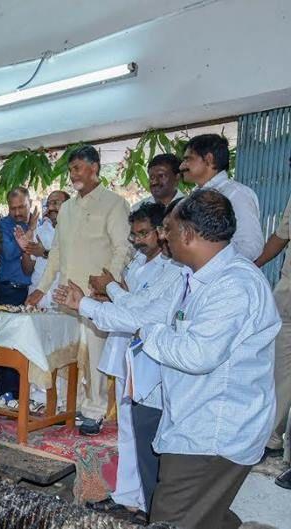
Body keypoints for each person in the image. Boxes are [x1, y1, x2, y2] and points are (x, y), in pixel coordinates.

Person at [136, 190, 277, 529]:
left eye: (168, 228)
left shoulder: (233, 285)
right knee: (208, 515)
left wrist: (150, 333)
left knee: (172, 519)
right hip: (198, 420)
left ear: (188, 234)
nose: (162, 236)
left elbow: (197, 354)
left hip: (212, 434)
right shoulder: (206, 278)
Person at [57, 202, 179, 521]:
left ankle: (146, 503)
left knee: (146, 434)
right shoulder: (139, 261)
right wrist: (107, 294)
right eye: (134, 234)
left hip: (151, 358)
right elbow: (130, 303)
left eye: (146, 233)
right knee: (127, 428)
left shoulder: (174, 269)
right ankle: (128, 497)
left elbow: (137, 311)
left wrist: (105, 290)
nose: (138, 241)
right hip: (128, 349)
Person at [27, 145, 131, 430]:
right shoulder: (68, 208)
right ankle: (66, 405)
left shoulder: (114, 204)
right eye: (70, 169)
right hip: (64, 294)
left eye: (77, 168)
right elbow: (57, 253)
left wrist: (108, 284)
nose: (72, 175)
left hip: (95, 296)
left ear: (94, 168)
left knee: (95, 352)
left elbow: (122, 248)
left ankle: (94, 412)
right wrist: (41, 288)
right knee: (66, 352)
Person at [253, 155, 291, 465]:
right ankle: (273, 438)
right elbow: (280, 236)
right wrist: (252, 266)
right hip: (288, 290)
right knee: (280, 365)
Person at [180, 134, 263, 260]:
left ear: (208, 159)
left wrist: (214, 265)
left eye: (188, 159)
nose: (181, 166)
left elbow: (250, 247)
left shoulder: (236, 194)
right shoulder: (194, 195)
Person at [0, 187, 34, 401]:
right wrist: (29, 233)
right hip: (9, 289)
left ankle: (22, 392)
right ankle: (6, 391)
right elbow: (9, 252)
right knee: (7, 340)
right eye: (13, 208)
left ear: (30, 203)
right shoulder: (4, 224)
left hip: (33, 291)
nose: (17, 212)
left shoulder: (42, 225)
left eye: (21, 207)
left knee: (26, 343)